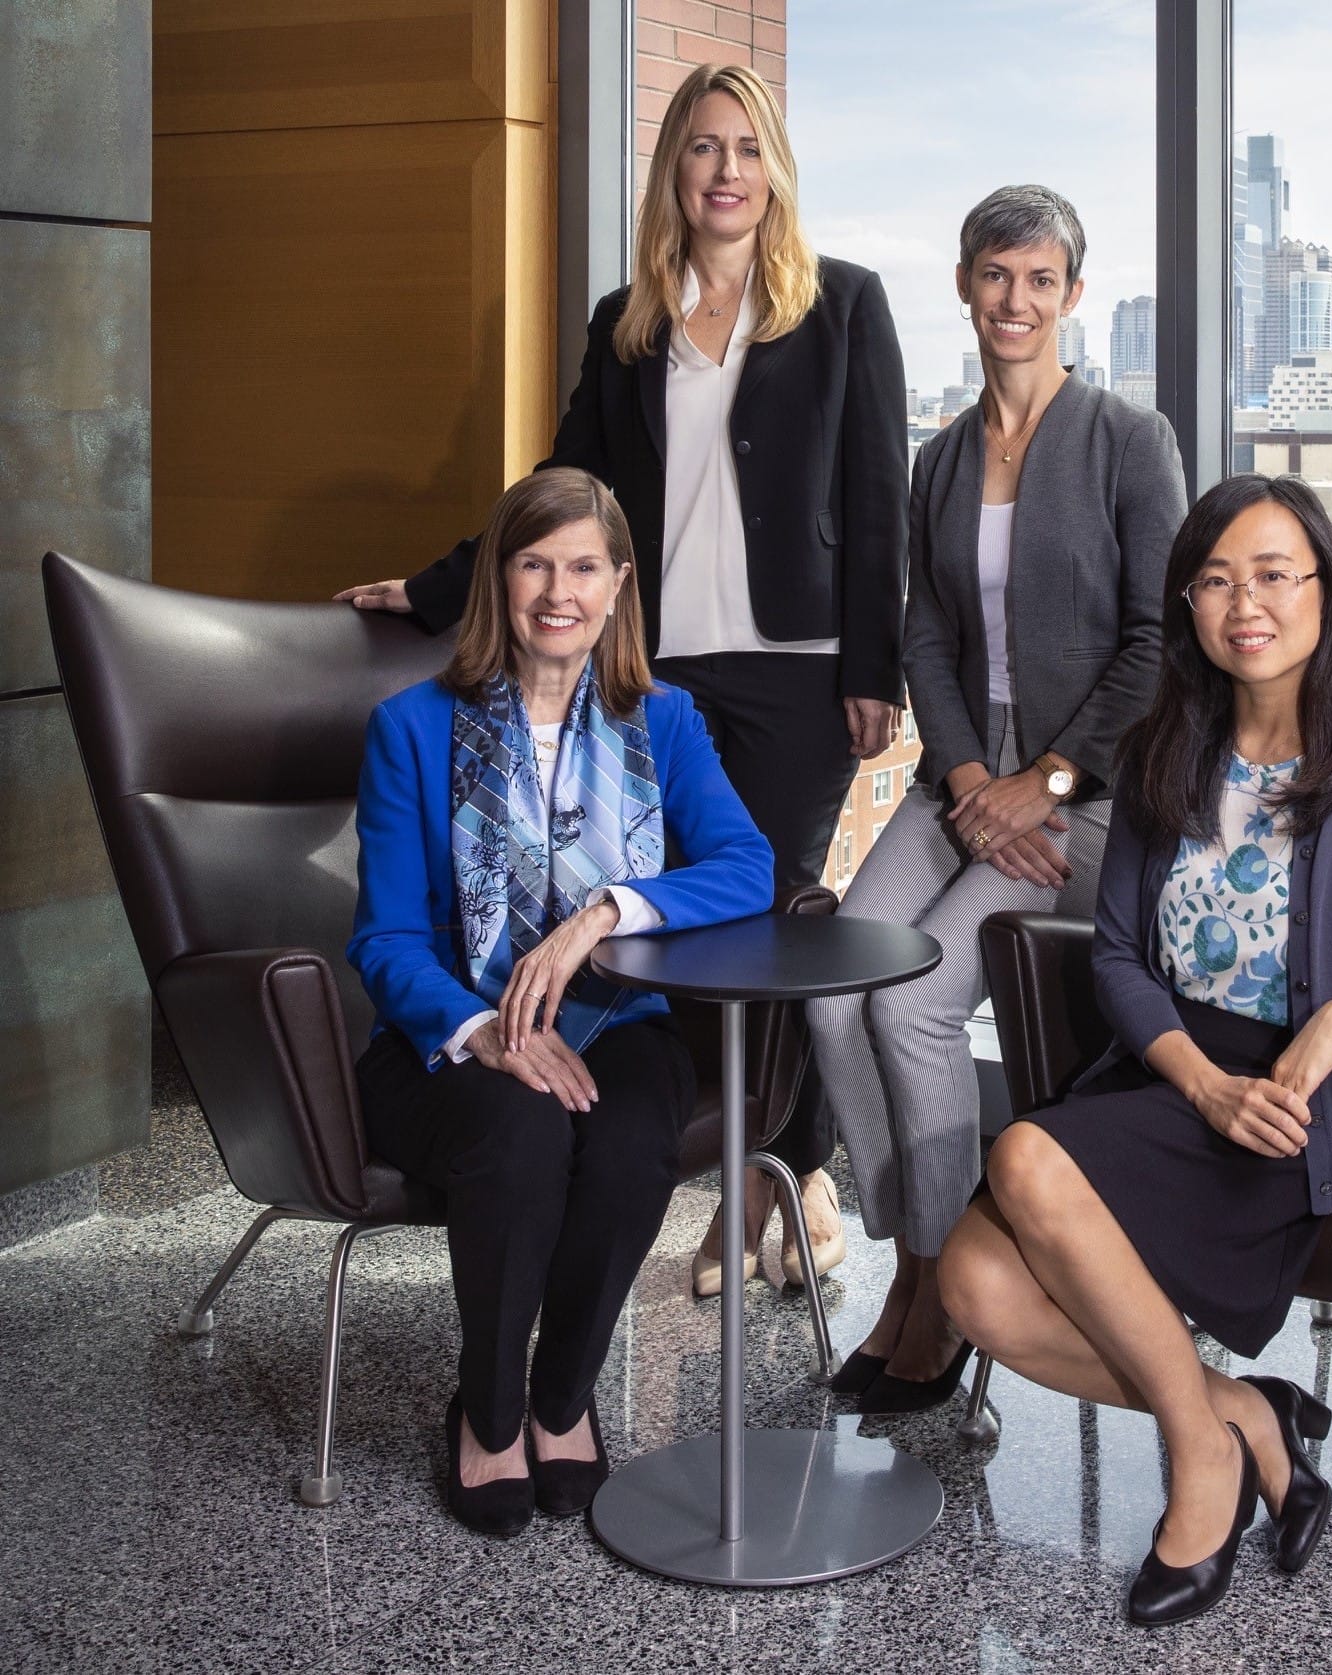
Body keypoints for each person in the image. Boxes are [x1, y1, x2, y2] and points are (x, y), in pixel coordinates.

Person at [936, 474, 1332, 1625]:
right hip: (1177, 1075)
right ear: (1186, 605)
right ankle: (1234, 1414)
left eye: (1273, 573)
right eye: (1217, 578)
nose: (1246, 603)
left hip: (1292, 1107)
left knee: (1024, 1160)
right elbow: (1122, 960)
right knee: (973, 1284)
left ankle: (1200, 1467)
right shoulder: (1163, 749)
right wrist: (1198, 1081)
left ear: (1323, 590)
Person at [335, 62, 908, 1297]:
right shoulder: (626, 323)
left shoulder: (842, 305)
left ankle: (776, 1176)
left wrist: (876, 665)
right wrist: (438, 589)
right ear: (674, 172)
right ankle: (774, 1178)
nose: (726, 172)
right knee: (674, 927)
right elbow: (560, 481)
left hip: (801, 672)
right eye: (703, 148)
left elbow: (877, 498)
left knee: (766, 923)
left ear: (775, 171)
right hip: (658, 676)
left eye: (746, 149)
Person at [804, 185, 1188, 1415]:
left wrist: (1042, 786)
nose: (1013, 303)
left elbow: (1156, 643)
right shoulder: (942, 456)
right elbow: (922, 634)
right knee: (830, 994)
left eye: (1038, 281)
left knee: (913, 999)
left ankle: (937, 1296)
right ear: (965, 286)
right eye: (992, 277)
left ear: (1071, 296)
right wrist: (973, 782)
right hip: (962, 783)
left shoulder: (1131, 442)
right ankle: (922, 1256)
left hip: (1089, 799)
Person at [348, 467, 774, 1536]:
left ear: (618, 583)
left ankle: (562, 1396)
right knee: (521, 1131)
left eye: (583, 566)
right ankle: (489, 1413)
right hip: (444, 1032)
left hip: (615, 1020)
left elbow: (747, 866)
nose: (558, 590)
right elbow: (386, 936)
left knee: (632, 1141)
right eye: (534, 562)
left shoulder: (663, 722)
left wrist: (604, 912)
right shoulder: (410, 727)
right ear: (499, 575)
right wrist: (485, 1027)